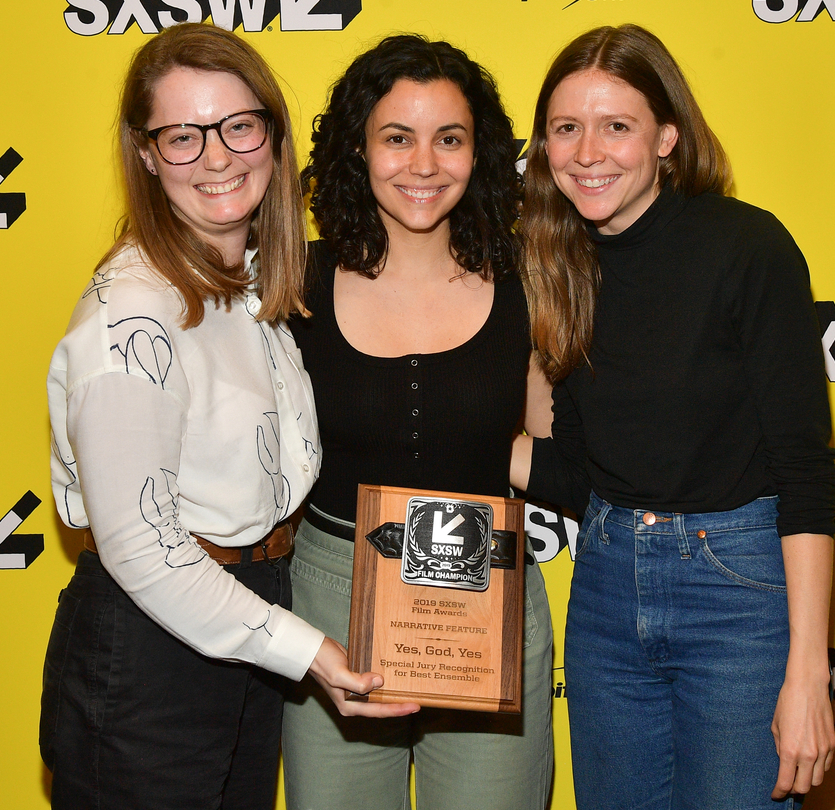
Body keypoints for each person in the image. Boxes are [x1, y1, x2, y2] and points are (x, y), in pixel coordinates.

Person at [38, 23, 414, 810]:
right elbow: (143, 547)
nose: (217, 157)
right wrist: (309, 652)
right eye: (183, 136)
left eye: (239, 126)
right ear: (146, 155)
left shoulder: (254, 281)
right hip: (150, 651)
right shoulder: (132, 316)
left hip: (248, 619)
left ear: (272, 137)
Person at [512, 24, 835, 810]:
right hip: (605, 587)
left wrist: (808, 672)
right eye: (567, 128)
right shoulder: (556, 262)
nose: (588, 152)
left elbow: (804, 474)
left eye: (616, 126)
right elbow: (582, 478)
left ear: (666, 137)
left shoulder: (747, 247)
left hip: (739, 594)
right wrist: (440, 437)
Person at [283, 34, 555, 810]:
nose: (425, 164)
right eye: (397, 138)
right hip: (332, 595)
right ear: (358, 149)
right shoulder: (296, 282)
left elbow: (553, 452)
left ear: (481, 153)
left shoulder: (529, 281)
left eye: (450, 139)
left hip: (486, 591)